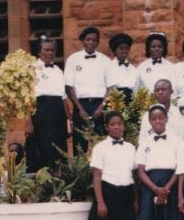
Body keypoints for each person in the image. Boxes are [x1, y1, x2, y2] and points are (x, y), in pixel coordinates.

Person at [83, 111, 140, 220]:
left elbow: (134, 173)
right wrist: (100, 201)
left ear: (124, 126)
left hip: (126, 192)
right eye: (113, 124)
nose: (117, 127)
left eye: (120, 123)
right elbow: (97, 176)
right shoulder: (101, 148)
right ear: (107, 127)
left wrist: (136, 197)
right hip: (107, 192)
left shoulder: (131, 147)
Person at [136, 104, 181, 220]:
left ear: (166, 119)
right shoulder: (145, 143)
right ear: (149, 122)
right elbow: (140, 170)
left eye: (160, 118)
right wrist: (156, 189)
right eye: (153, 119)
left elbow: (180, 168)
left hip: (171, 183)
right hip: (150, 186)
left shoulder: (177, 140)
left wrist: (166, 189)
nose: (157, 121)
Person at [64, 26, 109, 154]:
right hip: (80, 105)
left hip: (100, 105)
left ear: (98, 42)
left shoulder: (105, 61)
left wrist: (102, 106)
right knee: (80, 143)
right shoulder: (73, 59)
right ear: (83, 41)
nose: (91, 42)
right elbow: (68, 87)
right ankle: (81, 173)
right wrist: (79, 108)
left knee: (101, 143)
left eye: (94, 40)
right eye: (88, 39)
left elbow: (110, 87)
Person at [26, 35, 67, 173]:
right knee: (44, 148)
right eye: (46, 50)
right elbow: (28, 97)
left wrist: (69, 120)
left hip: (58, 112)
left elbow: (63, 97)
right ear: (39, 52)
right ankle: (45, 183)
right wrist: (28, 121)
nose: (50, 53)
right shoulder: (32, 69)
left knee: (60, 148)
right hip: (41, 111)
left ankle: (60, 183)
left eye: (52, 50)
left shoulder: (58, 71)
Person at [105, 33, 138, 103]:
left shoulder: (133, 69)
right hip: (115, 101)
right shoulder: (109, 67)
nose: (124, 51)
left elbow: (135, 89)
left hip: (131, 102)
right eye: (121, 48)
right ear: (115, 51)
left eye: (126, 48)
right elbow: (109, 89)